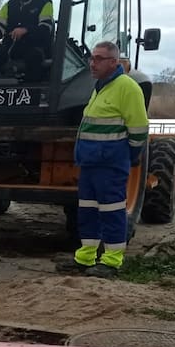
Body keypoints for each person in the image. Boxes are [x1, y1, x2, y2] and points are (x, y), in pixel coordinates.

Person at [61, 40, 149, 278]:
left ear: (114, 62)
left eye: (99, 59)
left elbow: (139, 129)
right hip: (90, 163)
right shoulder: (99, 86)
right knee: (87, 211)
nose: (93, 63)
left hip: (110, 163)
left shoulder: (127, 88)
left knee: (111, 211)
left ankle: (111, 261)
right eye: (92, 58)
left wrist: (127, 156)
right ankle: (86, 257)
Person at [0, 0, 54, 80]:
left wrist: (26, 30)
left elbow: (45, 29)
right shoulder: (9, 5)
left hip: (34, 48)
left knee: (34, 59)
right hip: (11, 48)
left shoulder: (45, 4)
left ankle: (32, 92)